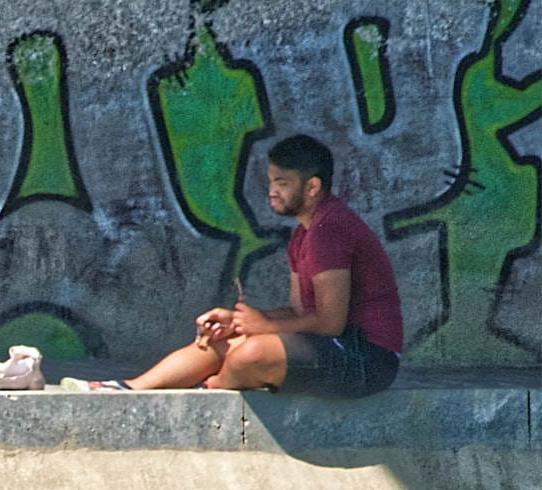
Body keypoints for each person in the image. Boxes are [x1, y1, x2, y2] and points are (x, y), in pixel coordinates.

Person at [62, 134, 403, 398]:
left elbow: (330, 324)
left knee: (251, 352)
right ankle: (128, 389)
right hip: (332, 345)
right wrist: (243, 321)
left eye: (282, 184)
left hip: (367, 359)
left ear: (312, 187)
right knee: (223, 340)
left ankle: (207, 393)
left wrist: (261, 328)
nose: (271, 192)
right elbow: (301, 312)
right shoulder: (303, 234)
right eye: (270, 182)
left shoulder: (331, 229)